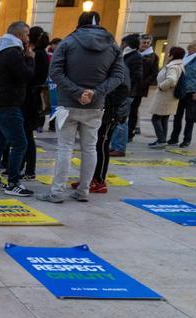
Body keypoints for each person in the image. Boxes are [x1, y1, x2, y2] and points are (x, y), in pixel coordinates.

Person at [37, 11, 126, 204]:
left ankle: (57, 191)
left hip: (67, 104)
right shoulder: (112, 45)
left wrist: (77, 92)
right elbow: (119, 76)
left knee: (64, 149)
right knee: (90, 148)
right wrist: (95, 92)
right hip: (95, 105)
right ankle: (83, 190)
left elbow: (55, 71)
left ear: (79, 23)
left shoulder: (68, 42)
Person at [0, 21, 36, 197]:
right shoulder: (13, 53)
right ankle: (13, 182)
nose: (28, 38)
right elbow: (26, 75)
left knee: (0, 141)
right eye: (27, 34)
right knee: (20, 143)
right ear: (20, 35)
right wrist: (30, 58)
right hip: (8, 104)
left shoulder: (0, 51)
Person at [85, 71, 130, 193]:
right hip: (96, 112)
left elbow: (123, 91)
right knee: (91, 146)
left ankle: (99, 180)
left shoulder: (118, 68)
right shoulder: (103, 66)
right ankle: (88, 178)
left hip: (108, 115)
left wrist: (100, 97)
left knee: (101, 145)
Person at [20, 26, 50, 180]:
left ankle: (28, 169)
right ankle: (25, 167)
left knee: (26, 134)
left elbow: (30, 75)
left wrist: (28, 59)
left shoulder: (37, 55)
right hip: (35, 97)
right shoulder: (42, 54)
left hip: (31, 98)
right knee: (27, 134)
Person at [168, 40, 196, 148]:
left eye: (191, 46)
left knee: (189, 118)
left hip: (193, 93)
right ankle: (174, 138)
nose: (188, 48)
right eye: (188, 46)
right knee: (177, 116)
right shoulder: (184, 58)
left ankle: (187, 139)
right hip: (181, 91)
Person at [108, 34, 143, 157]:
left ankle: (120, 147)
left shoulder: (135, 57)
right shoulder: (125, 55)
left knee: (122, 120)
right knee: (117, 119)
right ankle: (115, 145)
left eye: (122, 43)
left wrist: (127, 86)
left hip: (126, 93)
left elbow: (137, 76)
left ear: (127, 44)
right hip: (121, 92)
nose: (121, 45)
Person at [147, 47, 185, 149]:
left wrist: (161, 86)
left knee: (156, 118)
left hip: (165, 96)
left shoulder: (172, 66)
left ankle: (162, 140)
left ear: (172, 55)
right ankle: (161, 139)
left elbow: (172, 80)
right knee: (163, 118)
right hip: (170, 97)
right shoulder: (179, 65)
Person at [132, 34, 159, 138]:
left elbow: (154, 73)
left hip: (141, 86)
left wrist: (144, 82)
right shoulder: (133, 53)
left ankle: (134, 127)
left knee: (135, 106)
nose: (145, 45)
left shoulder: (153, 56)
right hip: (131, 84)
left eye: (148, 43)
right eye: (144, 42)